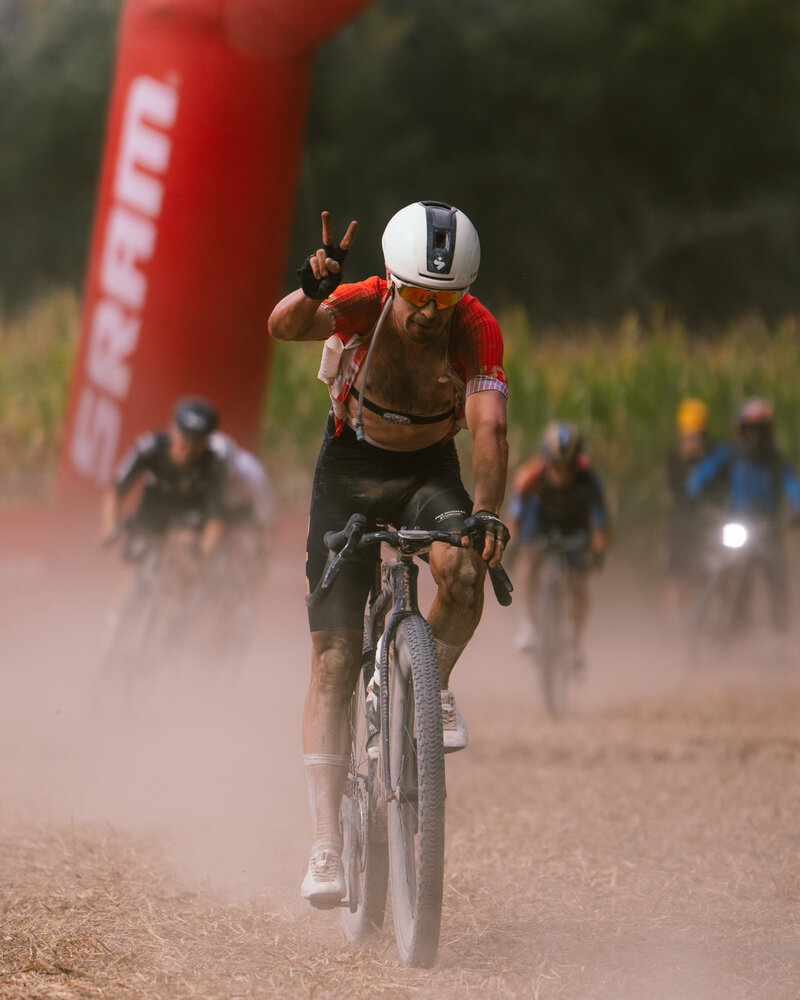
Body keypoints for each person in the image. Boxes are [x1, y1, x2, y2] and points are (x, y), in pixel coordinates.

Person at [268, 202, 509, 906]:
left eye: (445, 299)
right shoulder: (363, 301)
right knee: (335, 659)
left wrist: (488, 510)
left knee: (462, 569)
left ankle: (426, 688)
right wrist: (311, 289)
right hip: (349, 467)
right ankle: (325, 846)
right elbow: (283, 327)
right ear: (395, 281)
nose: (431, 312)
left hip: (427, 473)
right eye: (419, 295)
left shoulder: (476, 328)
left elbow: (489, 428)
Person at [686, 396, 800, 640]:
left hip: (768, 532)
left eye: (760, 431)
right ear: (741, 431)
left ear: (768, 433)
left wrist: (796, 510)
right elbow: (702, 475)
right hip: (735, 526)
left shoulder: (777, 462)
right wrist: (696, 493)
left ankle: (778, 637)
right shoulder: (731, 456)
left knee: (778, 578)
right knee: (713, 564)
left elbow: (794, 487)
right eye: (749, 430)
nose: (754, 436)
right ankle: (716, 622)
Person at [509, 421, 610, 672]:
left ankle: (575, 645)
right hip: (539, 522)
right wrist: (512, 546)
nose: (562, 472)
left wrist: (598, 552)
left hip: (575, 528)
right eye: (556, 465)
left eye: (568, 466)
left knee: (579, 585)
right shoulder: (530, 477)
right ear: (547, 461)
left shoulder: (588, 480)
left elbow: (601, 523)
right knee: (528, 560)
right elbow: (515, 517)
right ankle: (530, 624)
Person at [100, 396, 226, 561]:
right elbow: (117, 489)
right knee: (132, 558)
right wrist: (111, 526)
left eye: (197, 440)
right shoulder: (149, 447)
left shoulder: (213, 465)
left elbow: (215, 518)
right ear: (172, 429)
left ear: (206, 442)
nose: (188, 446)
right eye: (184, 435)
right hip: (151, 511)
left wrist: (202, 557)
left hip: (187, 517)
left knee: (184, 555)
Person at [663, 397, 714, 612]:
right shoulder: (674, 457)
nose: (691, 441)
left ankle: (696, 619)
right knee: (675, 575)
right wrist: (686, 458)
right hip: (680, 522)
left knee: (699, 573)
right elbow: (676, 486)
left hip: (705, 523)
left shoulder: (712, 455)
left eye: (695, 436)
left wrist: (702, 457)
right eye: (687, 436)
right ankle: (673, 621)